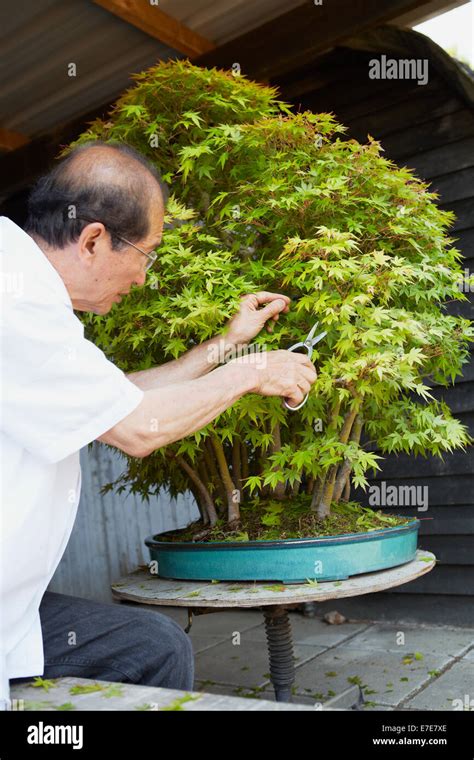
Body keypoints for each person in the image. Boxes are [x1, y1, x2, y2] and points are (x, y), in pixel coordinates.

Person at [0, 140, 317, 710]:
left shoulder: (27, 292)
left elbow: (118, 398)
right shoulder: (14, 300)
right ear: (93, 239)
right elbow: (138, 426)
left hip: (12, 611)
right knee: (152, 648)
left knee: (152, 645)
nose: (144, 279)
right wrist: (253, 373)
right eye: (147, 254)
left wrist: (226, 345)